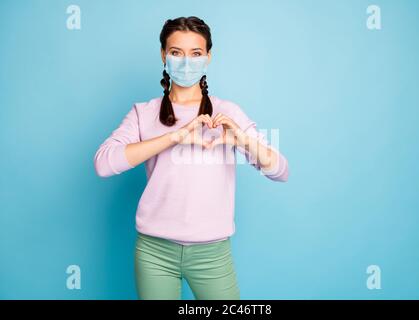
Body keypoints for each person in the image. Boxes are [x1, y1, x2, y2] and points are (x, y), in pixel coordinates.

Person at [93, 16, 289, 300]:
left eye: (196, 53)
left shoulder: (227, 113)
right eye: (176, 52)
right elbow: (103, 164)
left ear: (208, 57)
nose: (186, 62)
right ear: (163, 55)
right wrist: (174, 137)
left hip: (212, 254)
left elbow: (280, 171)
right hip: (154, 253)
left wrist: (243, 140)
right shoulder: (143, 113)